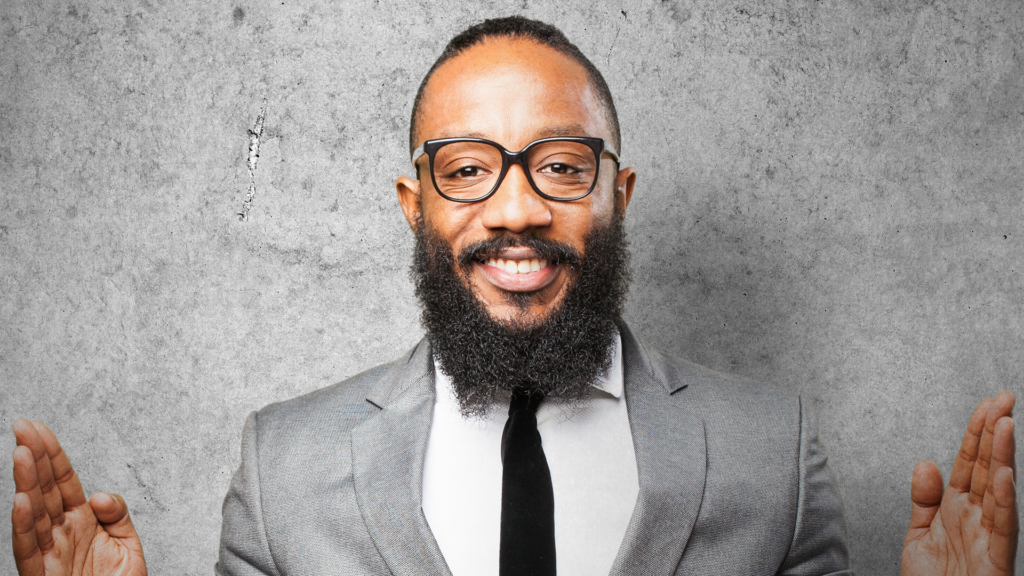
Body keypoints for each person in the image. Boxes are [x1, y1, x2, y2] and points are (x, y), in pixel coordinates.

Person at [10, 16, 1018, 576]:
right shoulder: (283, 467)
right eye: (467, 171)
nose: (517, 210)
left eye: (561, 168)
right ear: (416, 204)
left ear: (616, 196)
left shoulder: (771, 451)